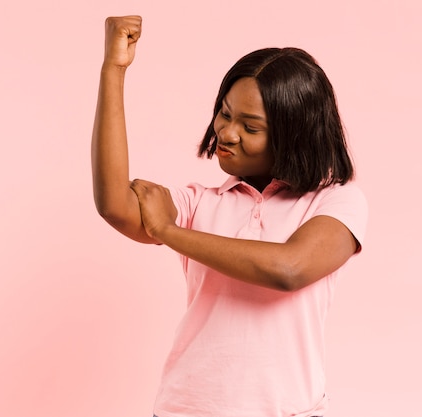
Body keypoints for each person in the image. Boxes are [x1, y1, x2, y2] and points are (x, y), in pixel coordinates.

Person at [91, 15, 368, 417]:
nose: (227, 133)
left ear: (295, 136)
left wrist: (168, 231)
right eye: (224, 113)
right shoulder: (200, 203)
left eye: (250, 126)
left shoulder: (335, 203)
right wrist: (113, 70)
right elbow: (113, 204)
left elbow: (288, 269)